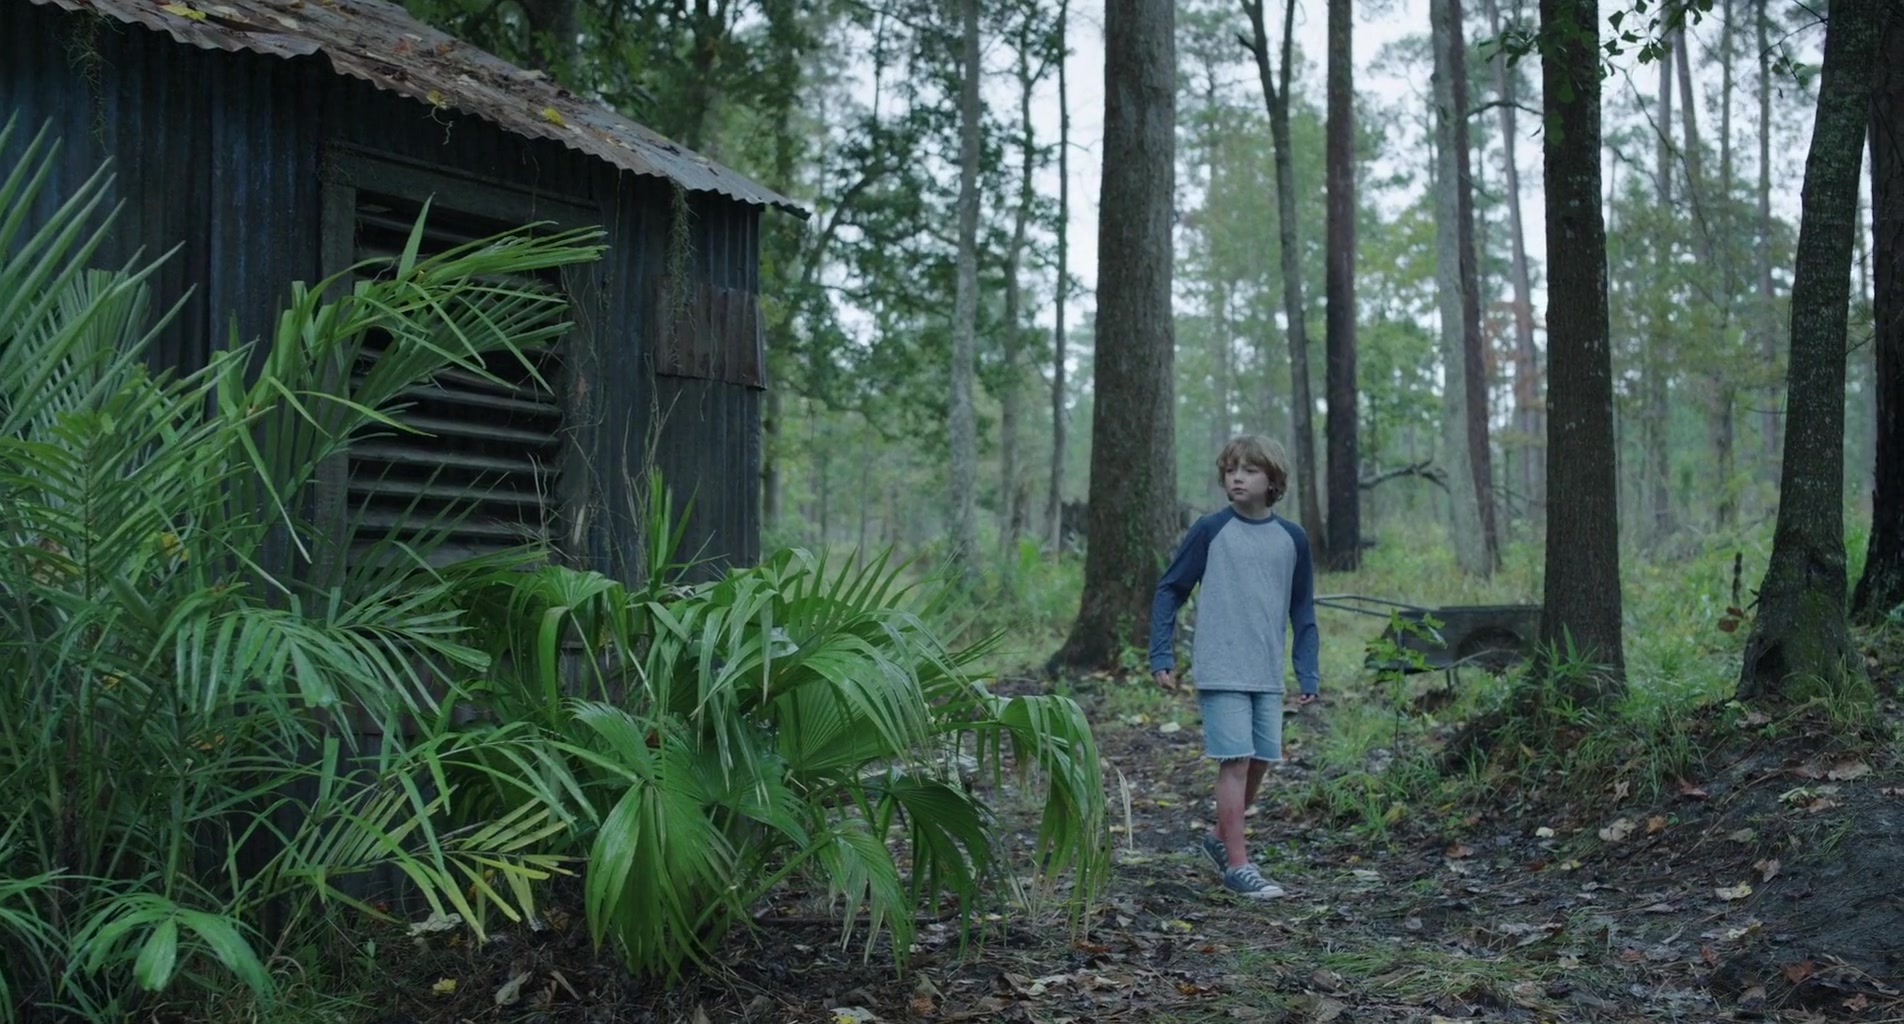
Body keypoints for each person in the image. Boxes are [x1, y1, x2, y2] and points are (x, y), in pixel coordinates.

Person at [1149, 434, 1320, 900]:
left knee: (1262, 758)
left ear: (1273, 480)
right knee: (1236, 760)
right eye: (1230, 470)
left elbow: (1302, 608)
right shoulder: (1210, 529)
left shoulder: (1293, 538)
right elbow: (1170, 589)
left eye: (1249, 470)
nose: (1237, 478)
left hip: (1266, 669)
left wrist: (1307, 669)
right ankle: (1238, 865)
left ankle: (1220, 839)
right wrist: (1161, 653)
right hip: (1221, 664)